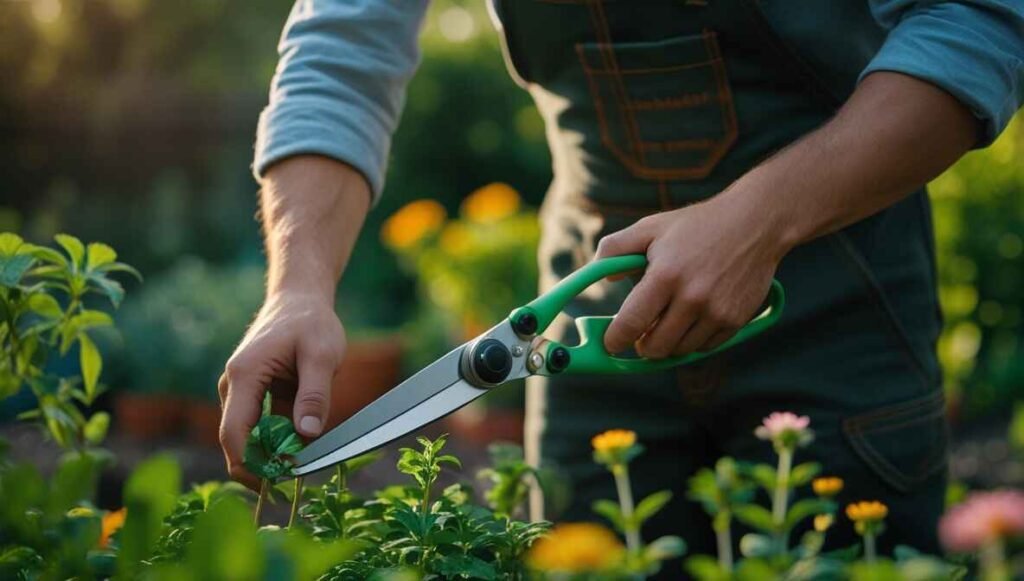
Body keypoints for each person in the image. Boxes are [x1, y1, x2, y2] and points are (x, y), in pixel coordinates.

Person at [219, 0, 1023, 557]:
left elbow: (976, 20)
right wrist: (299, 285)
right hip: (589, 326)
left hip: (840, 306)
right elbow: (339, 56)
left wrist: (760, 220)